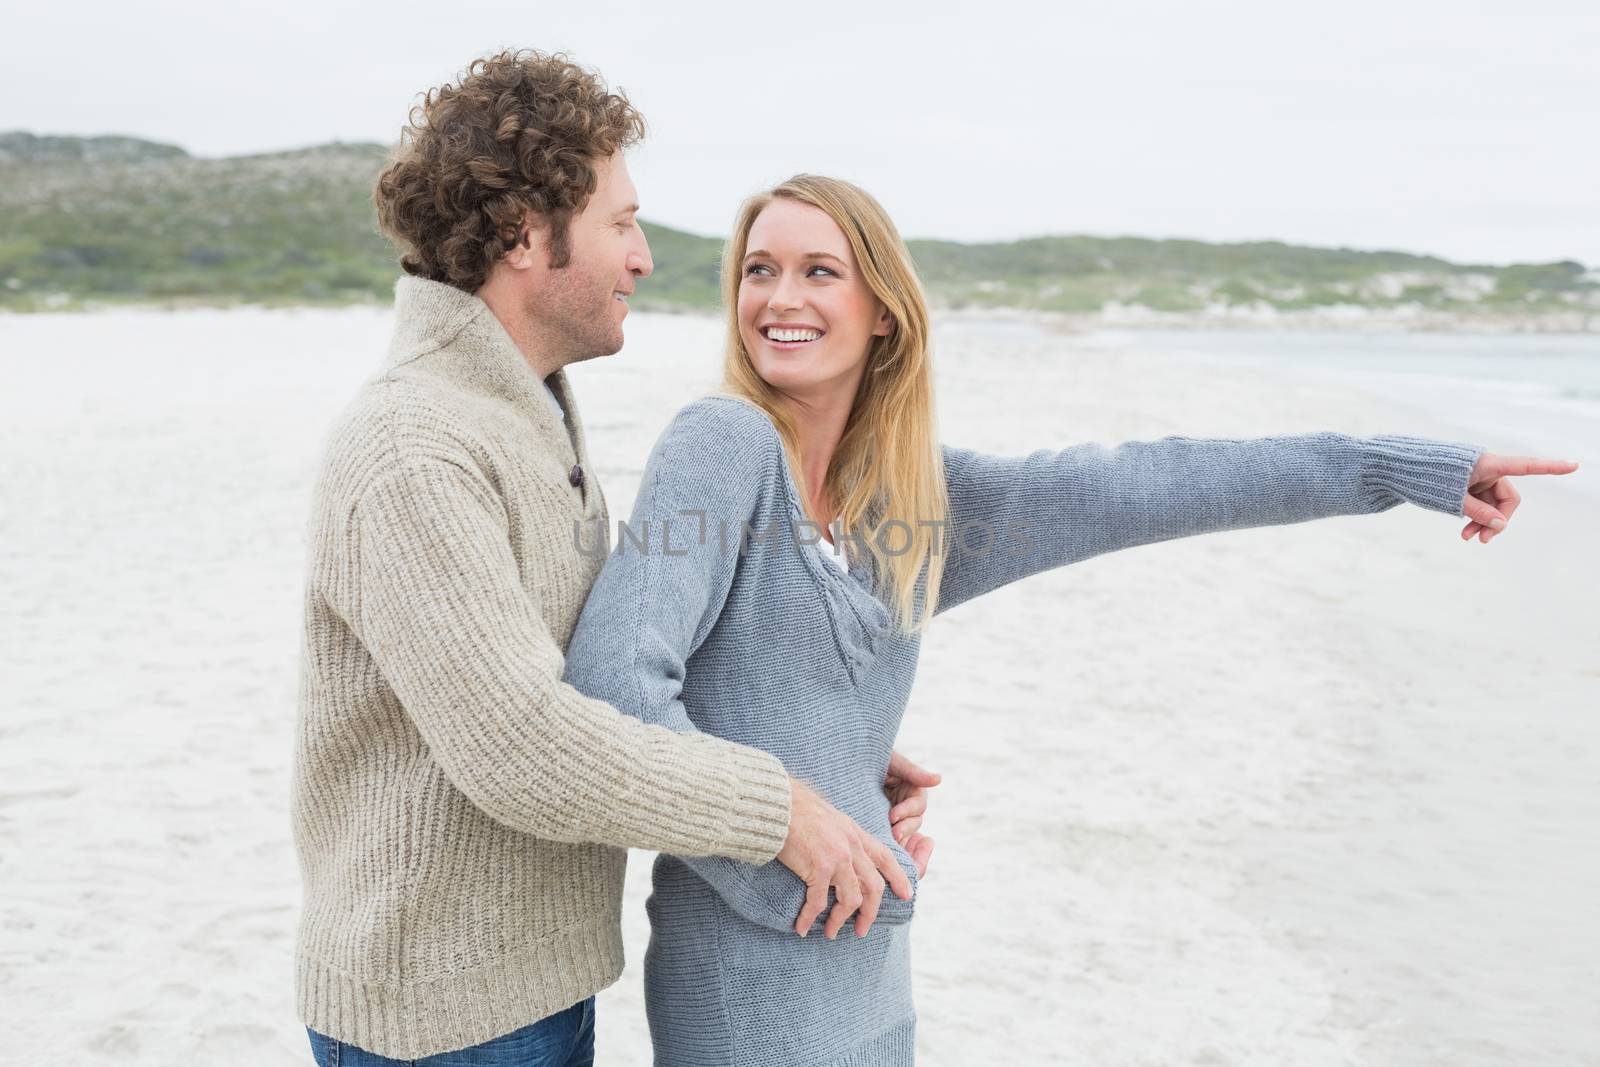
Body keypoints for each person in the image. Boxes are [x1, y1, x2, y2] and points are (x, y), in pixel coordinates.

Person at [559, 174, 1579, 1067]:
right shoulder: (720, 444)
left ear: (883, 310)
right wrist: (794, 819)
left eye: (820, 271)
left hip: (872, 974)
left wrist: (1396, 469)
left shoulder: (915, 506)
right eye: (759, 269)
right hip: (746, 986)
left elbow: (1154, 482)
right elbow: (613, 689)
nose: (780, 297)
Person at [290, 55, 933, 1067]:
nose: (641, 257)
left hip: (530, 986)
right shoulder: (416, 443)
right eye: (620, 223)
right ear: (523, 233)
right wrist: (779, 808)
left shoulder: (524, 405)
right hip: (438, 1018)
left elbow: (584, 649)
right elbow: (520, 744)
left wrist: (805, 730)